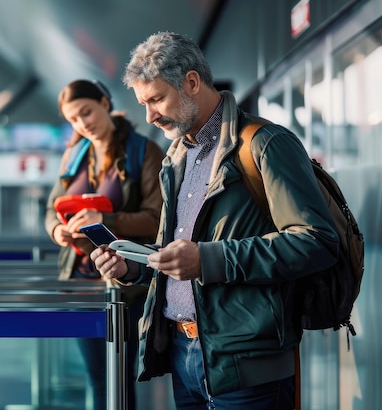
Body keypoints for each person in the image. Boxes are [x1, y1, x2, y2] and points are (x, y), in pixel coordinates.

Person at [89, 32, 340, 410]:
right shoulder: (177, 156)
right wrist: (133, 265)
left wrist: (209, 260)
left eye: (156, 99)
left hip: (247, 366)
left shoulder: (266, 144)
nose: (149, 116)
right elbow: (182, 254)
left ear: (191, 82)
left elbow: (318, 242)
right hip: (183, 355)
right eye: (143, 103)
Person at [44, 79, 165, 410]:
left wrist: (104, 220)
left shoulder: (144, 152)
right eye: (73, 119)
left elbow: (157, 219)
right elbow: (51, 208)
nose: (83, 124)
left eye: (87, 112)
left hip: (125, 282)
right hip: (82, 281)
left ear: (104, 103)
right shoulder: (74, 155)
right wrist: (58, 232)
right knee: (98, 377)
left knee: (119, 377)